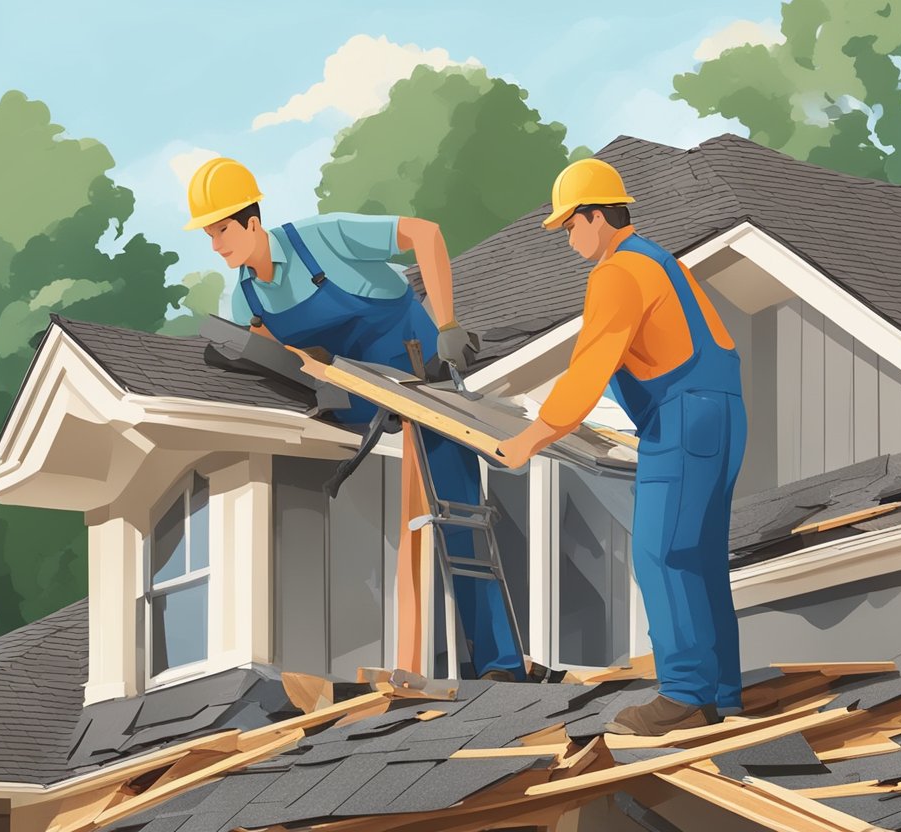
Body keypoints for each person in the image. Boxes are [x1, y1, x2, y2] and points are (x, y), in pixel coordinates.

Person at [185, 157, 525, 682]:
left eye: (222, 230)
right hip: (361, 389)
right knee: (376, 518)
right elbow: (280, 352)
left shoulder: (323, 238)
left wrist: (448, 324)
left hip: (419, 370)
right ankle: (420, 661)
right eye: (209, 235)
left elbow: (426, 235)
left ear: (252, 221)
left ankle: (500, 664)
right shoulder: (248, 293)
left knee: (456, 510)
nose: (216, 245)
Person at [496, 158, 747, 734]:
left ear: (596, 216)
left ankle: (684, 696)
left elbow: (590, 367)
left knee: (661, 555)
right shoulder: (662, 261)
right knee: (702, 560)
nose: (568, 239)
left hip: (680, 423)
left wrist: (532, 438)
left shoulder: (615, 274)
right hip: (720, 416)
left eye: (570, 226)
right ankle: (722, 695)